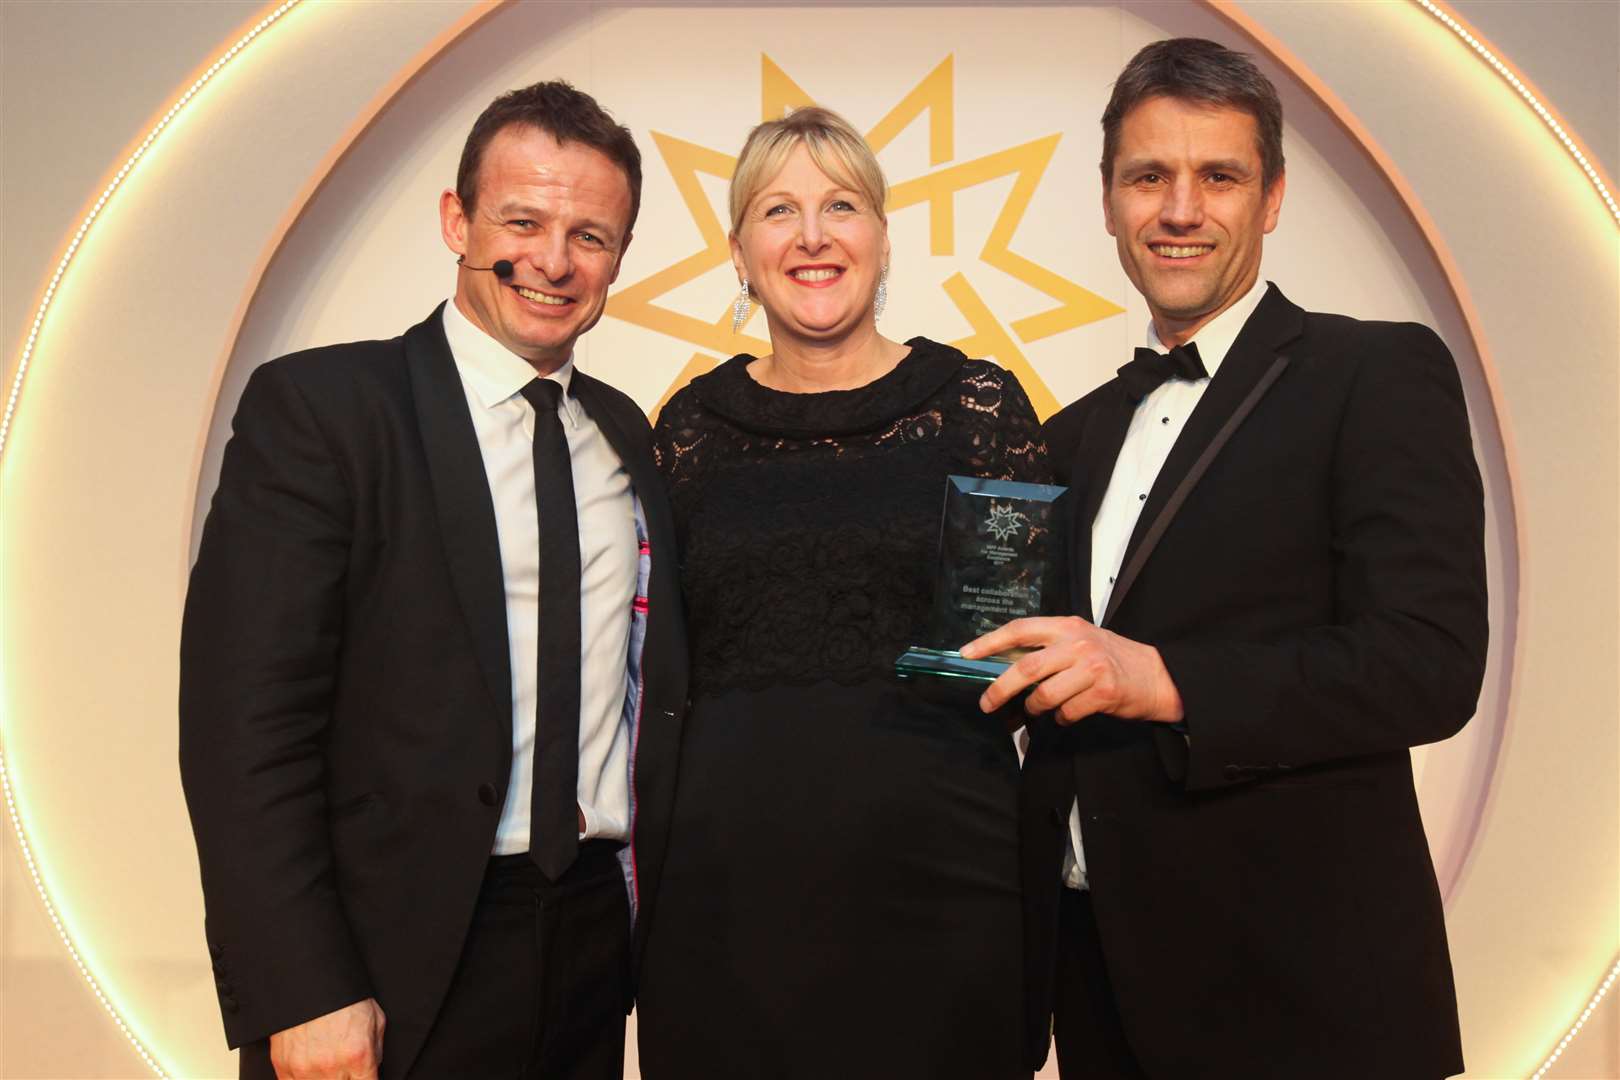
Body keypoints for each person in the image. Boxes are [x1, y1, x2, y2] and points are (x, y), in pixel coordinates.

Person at [961, 37, 1488, 1080]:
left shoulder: (1375, 372)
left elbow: (1427, 663)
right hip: (1095, 982)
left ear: (1274, 197)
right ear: (1109, 200)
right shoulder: (1066, 438)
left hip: (1305, 998)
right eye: (1148, 176)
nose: (1181, 209)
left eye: (1220, 176)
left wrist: (1166, 680)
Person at [179, 80, 687, 1080]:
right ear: (457, 220)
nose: (554, 259)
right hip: (386, 958)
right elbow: (243, 727)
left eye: (591, 235)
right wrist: (302, 986)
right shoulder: (325, 413)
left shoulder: (627, 433)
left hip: (591, 934)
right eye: (524, 220)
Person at [635, 106, 1042, 1080]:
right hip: (726, 896)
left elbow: (1004, 651)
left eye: (841, 205)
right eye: (779, 210)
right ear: (740, 251)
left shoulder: (978, 406)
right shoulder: (684, 430)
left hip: (938, 884)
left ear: (883, 237)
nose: (812, 236)